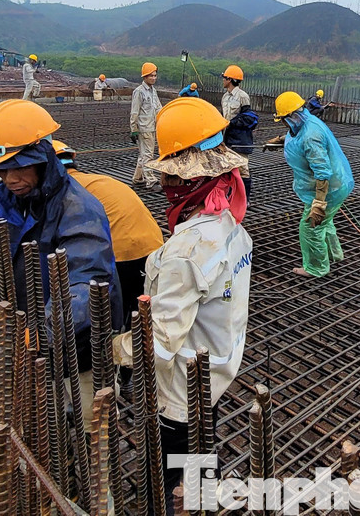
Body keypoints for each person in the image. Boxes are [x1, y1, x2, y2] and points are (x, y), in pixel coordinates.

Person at [110, 97, 251, 513]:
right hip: (217, 367)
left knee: (167, 477)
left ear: (189, 181)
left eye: (172, 178)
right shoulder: (229, 224)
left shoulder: (186, 250)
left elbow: (158, 344)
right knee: (200, 450)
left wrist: (109, 349)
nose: (166, 187)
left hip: (177, 392)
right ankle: (206, 492)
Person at [0, 100, 121, 429]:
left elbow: (87, 283)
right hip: (40, 342)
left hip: (82, 348)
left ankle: (97, 479)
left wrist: (38, 334)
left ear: (42, 158)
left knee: (90, 433)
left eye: (18, 167)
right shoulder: (7, 197)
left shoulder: (78, 208)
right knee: (45, 427)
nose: (9, 178)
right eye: (3, 169)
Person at [54, 140, 165, 328]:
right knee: (139, 309)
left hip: (122, 252)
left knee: (111, 313)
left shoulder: (68, 190)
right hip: (153, 245)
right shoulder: (97, 180)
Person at [275, 91, 354, 278]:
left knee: (311, 226)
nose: (284, 123)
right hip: (336, 185)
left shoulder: (311, 136)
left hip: (329, 189)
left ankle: (316, 268)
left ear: (293, 116)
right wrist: (280, 142)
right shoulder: (306, 122)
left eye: (284, 119)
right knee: (325, 222)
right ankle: (334, 255)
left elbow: (322, 171)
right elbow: (297, 139)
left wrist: (319, 202)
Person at [220, 65, 257, 199]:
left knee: (242, 169)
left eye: (224, 78)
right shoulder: (225, 97)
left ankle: (244, 198)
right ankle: (230, 194)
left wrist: (234, 123)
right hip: (227, 138)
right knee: (227, 167)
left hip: (240, 139)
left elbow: (247, 118)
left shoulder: (243, 97)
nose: (223, 80)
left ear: (229, 79)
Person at [130, 62, 163, 189]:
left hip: (152, 127)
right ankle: (151, 181)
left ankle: (137, 178)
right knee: (148, 155)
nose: (154, 78)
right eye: (151, 76)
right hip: (144, 128)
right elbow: (134, 112)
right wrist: (133, 130)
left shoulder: (153, 91)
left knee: (144, 154)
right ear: (144, 77)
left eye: (155, 75)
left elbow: (158, 108)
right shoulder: (139, 92)